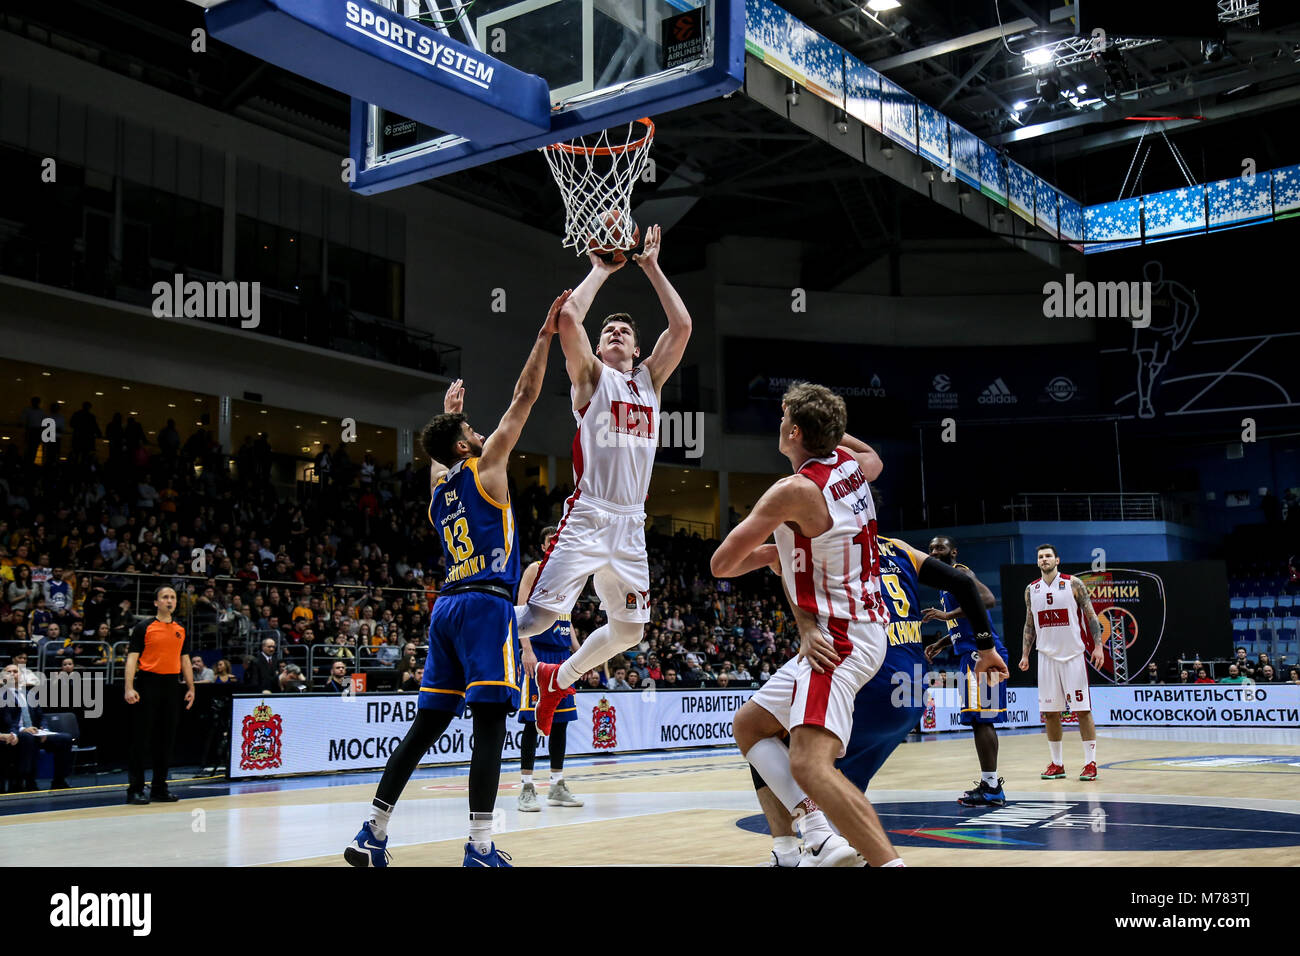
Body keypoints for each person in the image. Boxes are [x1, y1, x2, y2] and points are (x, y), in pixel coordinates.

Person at [345, 290, 564, 868]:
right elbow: (525, 395)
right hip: (487, 606)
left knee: (426, 725)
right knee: (491, 723)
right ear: (468, 443)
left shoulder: (439, 494)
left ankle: (373, 830)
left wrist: (446, 416)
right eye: (471, 427)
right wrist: (545, 335)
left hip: (445, 608)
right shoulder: (488, 465)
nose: (481, 429)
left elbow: (438, 457)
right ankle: (480, 846)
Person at [712, 382, 903, 867]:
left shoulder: (793, 490)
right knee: (750, 725)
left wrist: (773, 552)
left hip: (837, 634)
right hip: (862, 621)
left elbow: (722, 564)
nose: (778, 425)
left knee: (809, 764)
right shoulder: (853, 467)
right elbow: (873, 454)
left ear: (794, 432)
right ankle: (819, 834)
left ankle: (889, 864)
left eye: (783, 419)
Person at [514, 227, 693, 734]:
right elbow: (568, 318)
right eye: (608, 331)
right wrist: (602, 269)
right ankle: (471, 632)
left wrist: (652, 268)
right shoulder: (591, 378)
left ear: (637, 350)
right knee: (537, 621)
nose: (615, 333)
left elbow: (681, 327)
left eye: (625, 332)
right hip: (590, 512)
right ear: (598, 346)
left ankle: (558, 679)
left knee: (631, 631)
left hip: (632, 524)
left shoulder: (649, 382)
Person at [751, 532, 1005, 865]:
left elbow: (731, 563)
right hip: (911, 689)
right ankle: (806, 848)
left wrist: (782, 545)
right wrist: (976, 645)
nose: (935, 551)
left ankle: (817, 846)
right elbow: (966, 586)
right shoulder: (900, 549)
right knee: (838, 786)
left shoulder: (837, 547)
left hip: (869, 676)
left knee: (772, 743)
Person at [920, 536, 1007, 808]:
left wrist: (946, 616)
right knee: (979, 720)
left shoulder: (961, 572)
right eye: (931, 548)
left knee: (982, 721)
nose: (934, 552)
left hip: (980, 654)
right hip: (969, 652)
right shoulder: (948, 584)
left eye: (940, 548)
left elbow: (986, 599)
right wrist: (941, 641)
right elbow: (965, 621)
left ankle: (992, 787)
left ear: (953, 552)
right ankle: (989, 783)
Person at [1018, 544, 1104, 782]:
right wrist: (1025, 655)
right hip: (1045, 657)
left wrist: (1097, 646)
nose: (1044, 559)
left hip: (1073, 656)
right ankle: (1057, 764)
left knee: (1082, 710)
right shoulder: (1031, 590)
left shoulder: (1073, 583)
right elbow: (1029, 624)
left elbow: (1091, 616)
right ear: (1037, 562)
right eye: (1040, 557)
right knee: (1049, 713)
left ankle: (1090, 763)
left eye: (1048, 556)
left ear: (1057, 559)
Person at [516, 525, 583, 813]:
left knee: (561, 722)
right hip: (539, 652)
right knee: (533, 721)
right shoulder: (534, 569)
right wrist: (527, 650)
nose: (555, 544)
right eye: (550, 540)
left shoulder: (569, 573)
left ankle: (557, 784)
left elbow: (567, 621)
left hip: (562, 655)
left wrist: (581, 653)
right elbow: (521, 611)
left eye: (559, 539)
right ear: (544, 545)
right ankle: (526, 787)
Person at [123, 586, 196, 804]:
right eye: (165, 597)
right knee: (141, 738)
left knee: (166, 739)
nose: (169, 600)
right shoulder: (144, 627)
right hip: (147, 684)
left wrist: (191, 687)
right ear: (156, 602)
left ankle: (159, 788)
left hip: (171, 685)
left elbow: (185, 660)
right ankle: (135, 789)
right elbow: (132, 659)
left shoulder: (180, 629)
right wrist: (129, 687)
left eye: (172, 597)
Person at [1, 663, 74, 791]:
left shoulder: (30, 694)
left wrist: (44, 730)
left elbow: (41, 716)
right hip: (17, 733)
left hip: (35, 732)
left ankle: (59, 780)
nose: (12, 674)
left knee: (65, 739)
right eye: (9, 672)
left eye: (15, 671)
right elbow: (7, 721)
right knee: (27, 737)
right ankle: (28, 781)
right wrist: (23, 729)